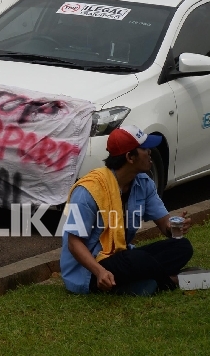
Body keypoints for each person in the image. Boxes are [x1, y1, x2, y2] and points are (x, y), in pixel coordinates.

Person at [60, 125, 193, 295]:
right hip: (92, 269)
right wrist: (100, 272)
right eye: (145, 148)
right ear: (130, 157)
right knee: (138, 259)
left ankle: (144, 281)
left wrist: (174, 227)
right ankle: (171, 281)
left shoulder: (144, 183)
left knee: (182, 247)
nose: (150, 152)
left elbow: (164, 223)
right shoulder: (88, 190)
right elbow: (74, 243)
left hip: (123, 255)